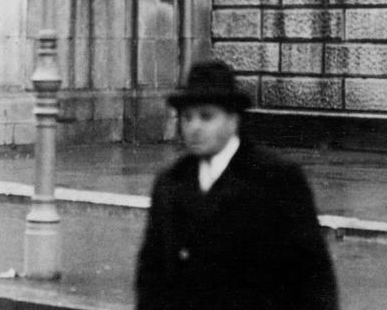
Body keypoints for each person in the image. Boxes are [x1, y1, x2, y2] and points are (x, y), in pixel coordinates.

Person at [135, 59, 338, 310]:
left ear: (233, 120)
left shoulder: (276, 179)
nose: (194, 127)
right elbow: (151, 276)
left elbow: (313, 276)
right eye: (187, 117)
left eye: (206, 116)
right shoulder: (170, 183)